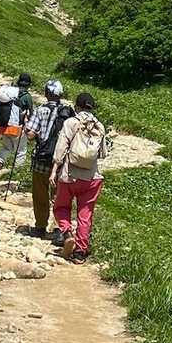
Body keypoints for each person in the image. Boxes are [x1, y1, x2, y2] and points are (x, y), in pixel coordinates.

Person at [51, 91, 107, 262]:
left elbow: (61, 148)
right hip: (92, 178)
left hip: (70, 175)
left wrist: (54, 170)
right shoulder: (99, 126)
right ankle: (80, 252)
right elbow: (103, 153)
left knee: (61, 207)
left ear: (76, 106)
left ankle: (67, 233)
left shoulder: (71, 123)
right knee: (85, 214)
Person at [24, 80, 74, 237]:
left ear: (46, 93)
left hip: (42, 159)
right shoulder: (68, 112)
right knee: (59, 196)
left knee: (40, 194)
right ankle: (60, 229)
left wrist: (26, 124)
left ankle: (40, 226)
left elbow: (30, 135)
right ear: (61, 94)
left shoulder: (40, 110)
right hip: (60, 161)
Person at [0, 73, 34, 170]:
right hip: (17, 128)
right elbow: (31, 112)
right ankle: (17, 170)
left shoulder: (10, 93)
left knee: (6, 147)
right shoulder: (27, 96)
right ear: (28, 85)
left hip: (4, 125)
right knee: (21, 150)